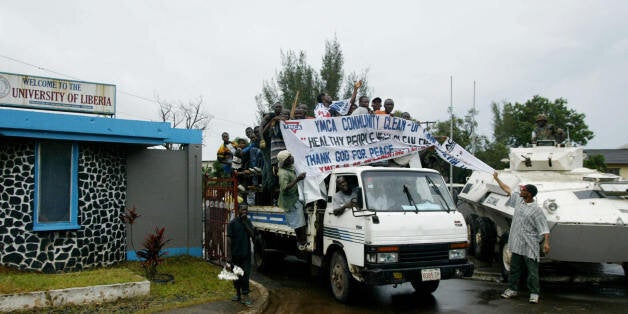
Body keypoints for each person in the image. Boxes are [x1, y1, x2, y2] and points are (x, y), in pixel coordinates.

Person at [493, 172, 550, 304]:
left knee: (532, 271)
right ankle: (512, 289)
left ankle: (534, 293)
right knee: (514, 268)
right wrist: (497, 179)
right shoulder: (519, 200)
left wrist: (546, 243)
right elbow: (506, 189)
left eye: (523, 190)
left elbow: (544, 228)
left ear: (529, 194)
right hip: (517, 242)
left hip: (530, 244)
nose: (521, 190)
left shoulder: (536, 210)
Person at [276, 150, 309, 250]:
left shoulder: (290, 168)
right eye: (290, 157)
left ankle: (300, 241)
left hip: (295, 198)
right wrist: (297, 179)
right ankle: (302, 242)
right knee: (299, 223)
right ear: (285, 161)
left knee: (298, 222)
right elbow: (284, 187)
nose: (292, 158)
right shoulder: (283, 173)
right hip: (291, 201)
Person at [226, 203, 257, 306]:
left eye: (246, 210)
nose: (245, 211)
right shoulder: (232, 223)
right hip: (235, 255)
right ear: (238, 210)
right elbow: (229, 240)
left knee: (245, 275)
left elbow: (253, 235)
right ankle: (238, 294)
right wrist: (229, 256)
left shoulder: (248, 222)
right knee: (236, 276)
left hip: (246, 254)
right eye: (243, 210)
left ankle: (246, 296)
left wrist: (245, 224)